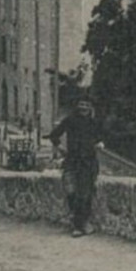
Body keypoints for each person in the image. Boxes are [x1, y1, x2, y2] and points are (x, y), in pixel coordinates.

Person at [47, 96, 106, 237]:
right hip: (72, 161)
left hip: (88, 163)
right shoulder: (70, 120)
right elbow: (54, 135)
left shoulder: (94, 123)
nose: (83, 107)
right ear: (77, 106)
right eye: (81, 104)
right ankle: (78, 221)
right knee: (70, 191)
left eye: (86, 105)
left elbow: (101, 138)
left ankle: (80, 226)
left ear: (90, 107)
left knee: (84, 195)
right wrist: (60, 147)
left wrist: (100, 144)